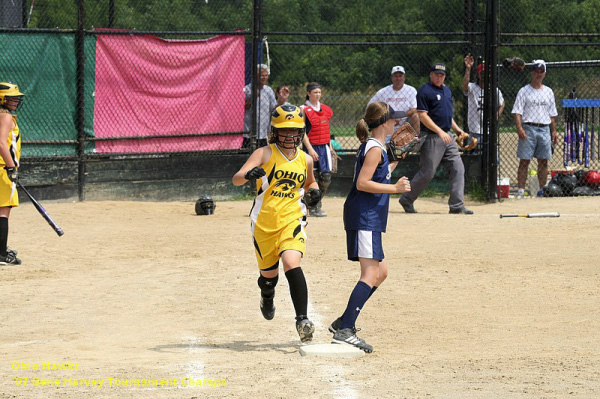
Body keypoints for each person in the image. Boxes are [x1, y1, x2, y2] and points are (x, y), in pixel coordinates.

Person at [232, 104, 321, 343]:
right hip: (264, 223)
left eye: (294, 130)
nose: (290, 135)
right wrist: (248, 175)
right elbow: (236, 179)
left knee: (292, 262)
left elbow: (310, 184)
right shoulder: (265, 153)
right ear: (274, 131)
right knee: (268, 278)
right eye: (284, 130)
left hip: (293, 218)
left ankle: (302, 319)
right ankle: (267, 295)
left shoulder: (305, 159)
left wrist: (314, 192)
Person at [328, 102, 411, 353]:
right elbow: (363, 183)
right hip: (365, 215)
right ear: (383, 122)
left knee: (381, 272)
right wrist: (395, 189)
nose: (396, 123)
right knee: (370, 274)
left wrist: (394, 160)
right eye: (393, 120)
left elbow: (379, 174)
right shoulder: (374, 149)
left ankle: (344, 321)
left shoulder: (377, 148)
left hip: (369, 215)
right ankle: (346, 330)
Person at [398, 63, 473, 215]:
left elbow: (447, 115)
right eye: (436, 74)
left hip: (448, 136)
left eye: (442, 75)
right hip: (432, 137)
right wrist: (440, 132)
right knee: (428, 172)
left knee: (458, 168)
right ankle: (407, 199)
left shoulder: (446, 90)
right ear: (431, 75)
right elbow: (423, 116)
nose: (439, 77)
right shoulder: (425, 91)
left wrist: (457, 130)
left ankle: (457, 205)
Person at [511, 59, 558, 198]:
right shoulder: (524, 91)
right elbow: (517, 112)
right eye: (536, 71)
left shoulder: (549, 92)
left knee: (543, 161)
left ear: (544, 73)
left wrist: (554, 130)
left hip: (544, 129)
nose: (538, 74)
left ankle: (542, 190)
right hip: (529, 128)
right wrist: (520, 128)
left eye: (541, 72)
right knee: (524, 161)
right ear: (532, 73)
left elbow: (552, 114)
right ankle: (520, 190)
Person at [0, 82, 25, 265]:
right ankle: (1, 254)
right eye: (11, 97)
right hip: (2, 169)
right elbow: (1, 143)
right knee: (3, 211)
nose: (15, 100)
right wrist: (10, 168)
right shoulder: (5, 117)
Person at [301, 82, 334, 217]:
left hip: (324, 146)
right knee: (310, 177)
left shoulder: (325, 109)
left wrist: (330, 147)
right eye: (315, 92)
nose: (318, 95)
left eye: (319, 92)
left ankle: (316, 202)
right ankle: (310, 205)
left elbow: (326, 129)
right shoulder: (304, 109)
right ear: (309, 93)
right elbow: (302, 131)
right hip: (310, 146)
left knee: (326, 176)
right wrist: (310, 149)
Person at [462, 54, 505, 154]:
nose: (485, 75)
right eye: (482, 73)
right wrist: (468, 69)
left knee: (493, 159)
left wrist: (497, 115)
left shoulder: (494, 90)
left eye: (488, 73)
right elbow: (464, 86)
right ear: (478, 74)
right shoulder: (472, 87)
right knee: (474, 160)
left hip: (490, 131)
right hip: (474, 131)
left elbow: (502, 103)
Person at [368, 65, 419, 141]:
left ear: (404, 77)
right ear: (392, 78)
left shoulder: (411, 90)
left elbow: (415, 109)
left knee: (416, 116)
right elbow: (370, 106)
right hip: (386, 124)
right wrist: (388, 117)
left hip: (404, 125)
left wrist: (400, 117)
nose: (398, 78)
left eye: (400, 76)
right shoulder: (384, 91)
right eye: (395, 76)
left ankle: (414, 142)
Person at [242, 65, 287, 148]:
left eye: (266, 75)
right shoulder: (247, 89)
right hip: (248, 132)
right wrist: (252, 99)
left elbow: (273, 109)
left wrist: (281, 101)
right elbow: (241, 109)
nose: (264, 77)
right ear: (255, 76)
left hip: (262, 133)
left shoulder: (268, 90)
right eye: (262, 75)